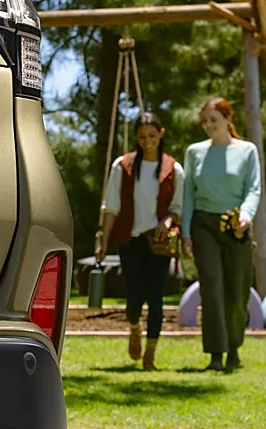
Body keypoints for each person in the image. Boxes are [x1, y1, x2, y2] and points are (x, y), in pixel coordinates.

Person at [94, 111, 184, 370]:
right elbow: (111, 207)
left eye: (153, 136)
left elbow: (178, 207)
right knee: (134, 295)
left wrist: (168, 221)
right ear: (136, 138)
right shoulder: (122, 166)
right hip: (129, 240)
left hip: (158, 242)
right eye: (142, 137)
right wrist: (103, 240)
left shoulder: (173, 169)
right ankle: (134, 327)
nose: (148, 141)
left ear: (161, 134)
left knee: (156, 297)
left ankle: (150, 355)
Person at [181, 97, 262, 371]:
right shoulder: (195, 152)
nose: (208, 126)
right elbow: (189, 195)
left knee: (237, 292)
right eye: (204, 121)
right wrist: (186, 232)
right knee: (212, 286)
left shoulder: (247, 151)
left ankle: (234, 348)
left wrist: (246, 215)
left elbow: (253, 188)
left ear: (228, 119)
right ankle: (216, 354)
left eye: (213, 120)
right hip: (204, 225)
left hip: (235, 224)